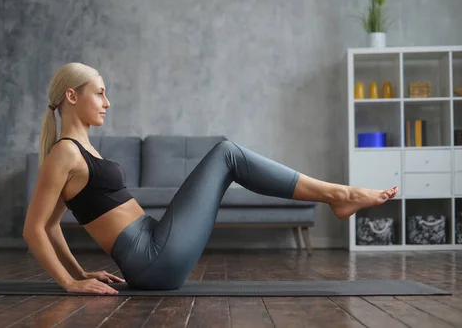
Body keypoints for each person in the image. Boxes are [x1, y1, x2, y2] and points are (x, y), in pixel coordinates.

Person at [22, 62, 398, 295]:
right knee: (227, 153)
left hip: (153, 249)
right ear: (72, 96)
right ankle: (338, 194)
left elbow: (54, 225)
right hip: (153, 257)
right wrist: (70, 284)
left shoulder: (79, 149)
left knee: (227, 155)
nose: (107, 102)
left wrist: (81, 271)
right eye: (100, 93)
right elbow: (34, 229)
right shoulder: (65, 152)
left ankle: (337, 195)